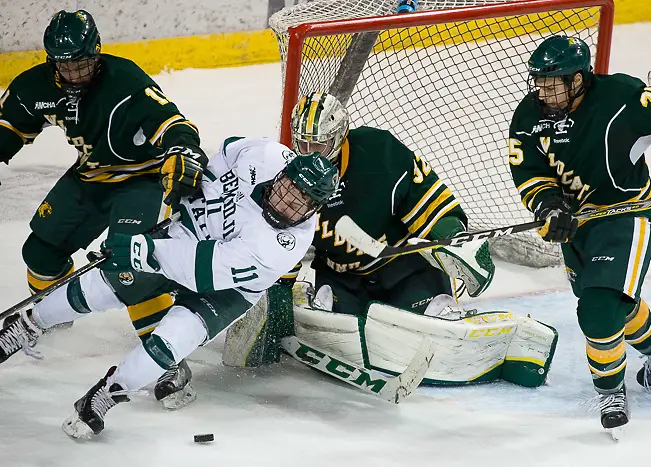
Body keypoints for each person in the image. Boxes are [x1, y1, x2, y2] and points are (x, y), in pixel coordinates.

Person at [0, 136, 340, 439]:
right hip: (191, 234)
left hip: (227, 288)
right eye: (287, 189)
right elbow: (226, 151)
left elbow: (202, 269)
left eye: (300, 202)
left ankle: (107, 393)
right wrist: (198, 188)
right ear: (282, 173)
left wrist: (142, 251)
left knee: (169, 345)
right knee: (103, 286)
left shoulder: (282, 245)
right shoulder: (265, 154)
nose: (286, 203)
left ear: (314, 208)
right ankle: (28, 324)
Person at [0, 10, 207, 403]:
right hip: (90, 178)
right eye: (65, 65)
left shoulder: (124, 80)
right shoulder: (36, 85)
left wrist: (182, 149)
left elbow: (174, 123)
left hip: (141, 181)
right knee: (40, 250)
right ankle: (44, 321)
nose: (74, 73)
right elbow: (8, 126)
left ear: (96, 53)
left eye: (81, 63)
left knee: (129, 266)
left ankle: (167, 358)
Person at [508, 34, 651, 433]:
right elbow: (529, 169)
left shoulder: (621, 98)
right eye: (538, 82)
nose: (543, 91)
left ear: (578, 79)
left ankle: (610, 391)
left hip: (625, 217)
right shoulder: (530, 114)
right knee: (613, 303)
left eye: (552, 82)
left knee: (597, 309)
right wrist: (548, 205)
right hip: (578, 226)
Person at [289, 91, 495, 317]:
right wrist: (280, 289)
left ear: (338, 137)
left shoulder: (379, 153)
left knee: (432, 318)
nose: (308, 154)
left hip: (405, 268)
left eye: (318, 145)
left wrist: (456, 238)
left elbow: (429, 202)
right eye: (302, 143)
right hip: (342, 277)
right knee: (328, 325)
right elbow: (280, 239)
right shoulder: (289, 174)